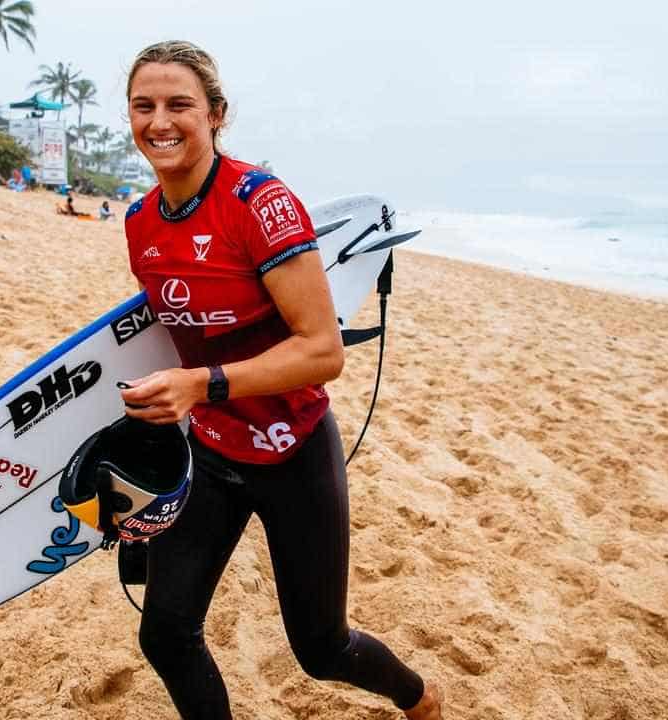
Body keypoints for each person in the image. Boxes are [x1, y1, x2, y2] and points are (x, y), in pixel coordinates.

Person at [116, 41, 444, 720]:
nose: (161, 121)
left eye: (180, 104)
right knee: (167, 633)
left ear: (216, 114)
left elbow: (323, 352)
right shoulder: (140, 221)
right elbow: (175, 332)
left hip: (292, 446)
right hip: (206, 451)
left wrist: (200, 385)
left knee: (321, 650)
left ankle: (418, 697)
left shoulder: (258, 204)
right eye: (144, 106)